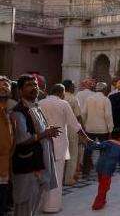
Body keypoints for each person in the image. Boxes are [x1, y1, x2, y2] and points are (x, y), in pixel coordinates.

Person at [10, 74, 60, 216]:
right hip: (28, 166)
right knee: (24, 206)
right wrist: (45, 133)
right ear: (20, 91)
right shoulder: (18, 111)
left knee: (33, 207)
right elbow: (22, 139)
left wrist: (47, 132)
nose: (34, 88)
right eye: (29, 85)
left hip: (39, 165)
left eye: (35, 85)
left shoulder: (36, 107)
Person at [39, 84, 91, 213]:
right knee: (56, 175)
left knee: (43, 175)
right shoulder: (63, 104)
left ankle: (40, 205)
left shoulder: (39, 103)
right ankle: (52, 206)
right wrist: (85, 138)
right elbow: (75, 124)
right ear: (61, 93)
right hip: (59, 144)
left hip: (42, 143)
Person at [86, 128, 120, 211]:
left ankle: (103, 200)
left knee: (102, 185)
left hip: (99, 167)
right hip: (108, 170)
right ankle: (97, 204)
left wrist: (89, 146)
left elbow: (96, 146)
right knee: (104, 187)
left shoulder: (106, 143)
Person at [82, 82, 114, 176]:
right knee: (103, 150)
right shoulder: (105, 100)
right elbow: (108, 115)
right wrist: (111, 129)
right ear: (104, 90)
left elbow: (84, 113)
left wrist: (84, 125)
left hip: (90, 128)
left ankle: (85, 171)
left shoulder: (89, 99)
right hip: (102, 129)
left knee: (88, 150)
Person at [61, 79, 83, 186]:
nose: (74, 88)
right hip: (72, 129)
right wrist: (82, 130)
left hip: (60, 128)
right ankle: (69, 179)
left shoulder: (59, 97)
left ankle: (60, 177)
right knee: (72, 154)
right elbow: (78, 116)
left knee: (61, 154)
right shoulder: (73, 99)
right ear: (69, 87)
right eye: (73, 86)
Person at [0, 76, 13, 216]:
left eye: (6, 86)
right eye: (0, 85)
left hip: (5, 164)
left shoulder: (7, 111)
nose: (3, 88)